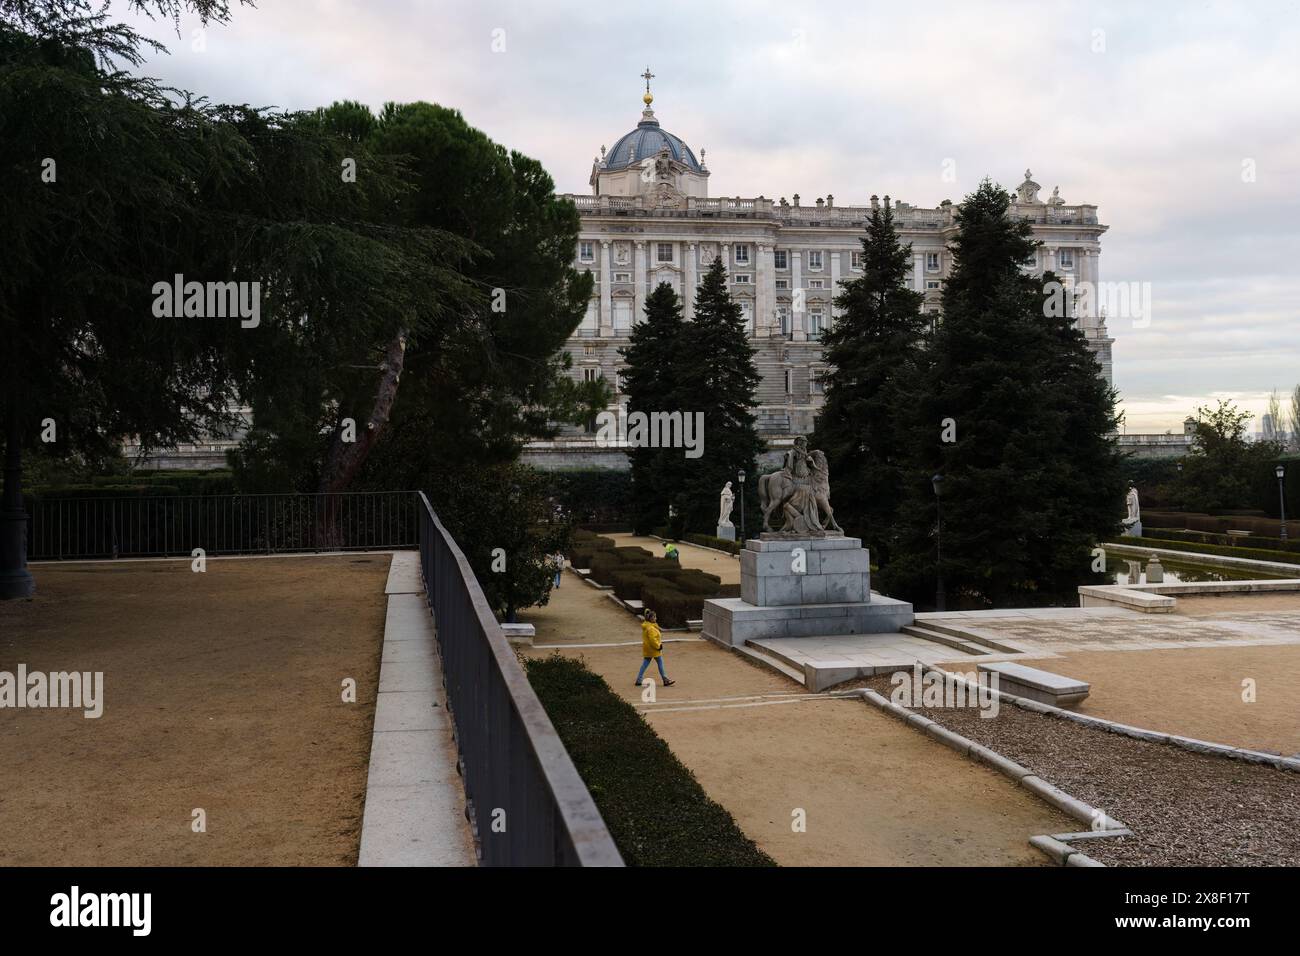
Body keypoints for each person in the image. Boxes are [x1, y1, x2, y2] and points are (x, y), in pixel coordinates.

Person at [636, 610, 675, 687]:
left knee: (645, 664)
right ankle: (665, 680)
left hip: (648, 649)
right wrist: (658, 646)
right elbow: (653, 639)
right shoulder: (651, 628)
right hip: (654, 649)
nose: (656, 618)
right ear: (651, 618)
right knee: (660, 662)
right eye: (654, 617)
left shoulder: (647, 625)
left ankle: (639, 679)